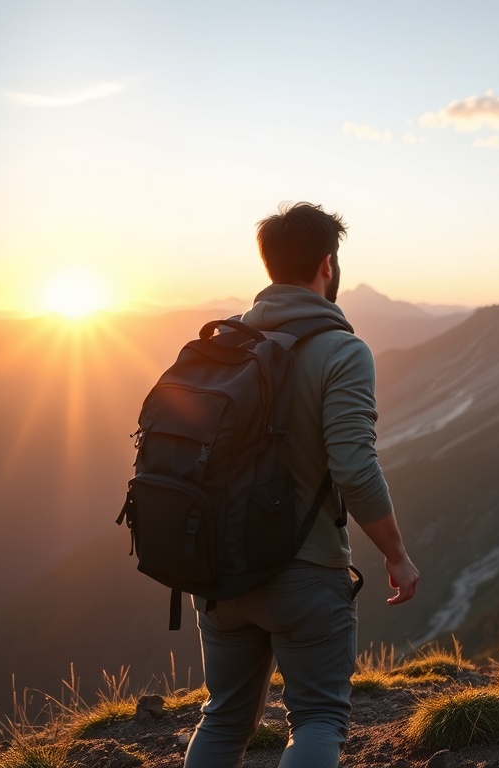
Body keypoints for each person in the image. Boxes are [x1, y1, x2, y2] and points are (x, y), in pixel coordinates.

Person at [184, 201, 420, 768]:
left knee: (223, 720)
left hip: (216, 572)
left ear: (269, 266)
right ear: (328, 265)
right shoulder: (341, 351)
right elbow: (355, 468)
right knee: (317, 719)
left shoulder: (221, 345)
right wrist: (396, 555)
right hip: (304, 573)